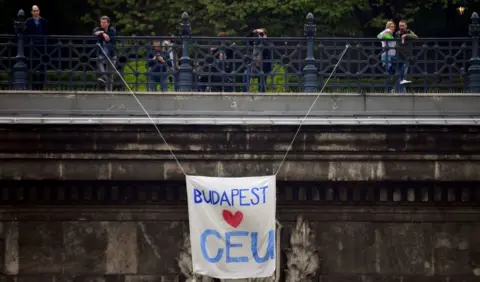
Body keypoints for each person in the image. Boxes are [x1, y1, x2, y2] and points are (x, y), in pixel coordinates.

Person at [24, 5, 49, 90]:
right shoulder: (28, 22)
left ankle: (41, 85)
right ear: (31, 12)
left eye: (37, 10)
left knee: (42, 66)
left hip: (42, 48)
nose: (35, 12)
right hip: (32, 48)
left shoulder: (44, 22)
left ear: (39, 11)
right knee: (32, 66)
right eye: (34, 11)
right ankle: (34, 86)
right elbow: (25, 35)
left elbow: (48, 35)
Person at [243, 28, 272, 93]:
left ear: (266, 35)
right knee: (245, 76)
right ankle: (245, 94)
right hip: (253, 65)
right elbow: (245, 39)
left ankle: (262, 96)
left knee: (262, 84)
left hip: (263, 66)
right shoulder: (255, 42)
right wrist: (253, 31)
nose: (259, 35)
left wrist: (263, 39)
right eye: (258, 34)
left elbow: (268, 48)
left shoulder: (269, 42)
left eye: (261, 34)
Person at [93, 16, 117, 91]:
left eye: (104, 22)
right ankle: (104, 78)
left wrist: (104, 33)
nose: (102, 24)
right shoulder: (98, 29)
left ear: (108, 23)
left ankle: (109, 90)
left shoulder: (112, 29)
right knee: (101, 68)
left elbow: (112, 35)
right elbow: (94, 33)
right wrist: (102, 33)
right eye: (101, 22)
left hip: (111, 54)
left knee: (110, 73)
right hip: (101, 54)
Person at [394, 20, 418, 91]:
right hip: (399, 55)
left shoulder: (408, 31)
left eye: (403, 26)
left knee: (403, 74)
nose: (401, 27)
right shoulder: (397, 33)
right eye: (400, 26)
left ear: (406, 26)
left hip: (406, 56)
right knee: (400, 74)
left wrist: (406, 35)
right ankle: (399, 90)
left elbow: (416, 37)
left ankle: (398, 90)